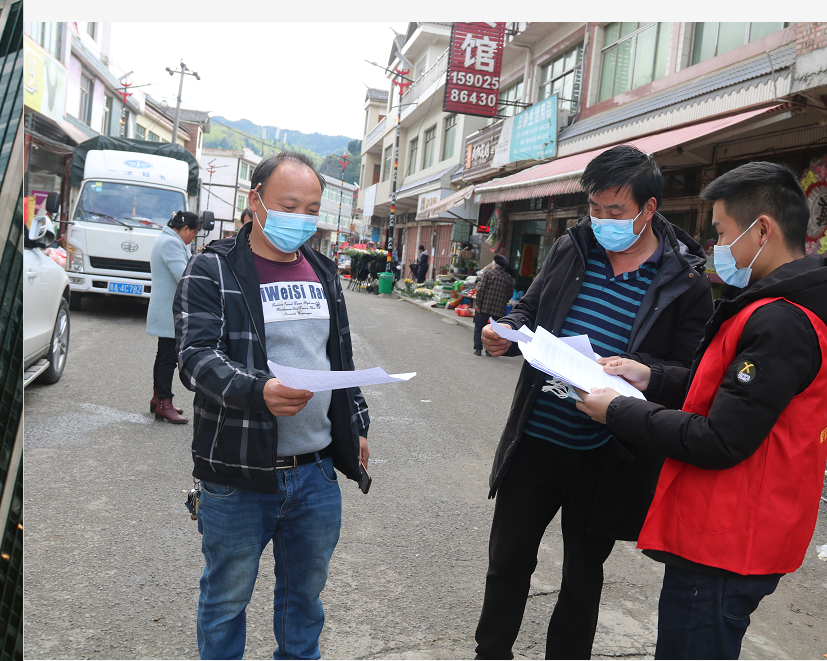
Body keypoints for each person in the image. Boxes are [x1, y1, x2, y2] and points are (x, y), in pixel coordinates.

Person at [575, 161, 827, 660]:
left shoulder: (781, 320)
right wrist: (651, 376)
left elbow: (720, 438)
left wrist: (619, 412)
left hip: (728, 542)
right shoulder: (776, 303)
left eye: (720, 232)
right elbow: (729, 391)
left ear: (762, 230)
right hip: (732, 529)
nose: (714, 247)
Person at [474, 144, 714, 660]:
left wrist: (645, 372)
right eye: (595, 209)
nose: (602, 221)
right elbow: (531, 308)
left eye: (615, 212)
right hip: (537, 437)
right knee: (508, 561)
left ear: (649, 209)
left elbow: (691, 376)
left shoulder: (686, 285)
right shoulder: (572, 247)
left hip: (609, 451)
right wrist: (507, 331)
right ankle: (490, 652)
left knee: (583, 575)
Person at [174, 151, 370, 660]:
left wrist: (357, 423)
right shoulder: (212, 269)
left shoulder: (324, 272)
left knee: (304, 599)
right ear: (255, 201)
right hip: (239, 475)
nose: (300, 219)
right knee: (226, 599)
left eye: (311, 208)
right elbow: (196, 358)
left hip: (316, 474)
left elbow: (338, 355)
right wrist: (257, 390)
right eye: (289, 205)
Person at [146, 210, 200, 424]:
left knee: (164, 356)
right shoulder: (171, 243)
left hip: (166, 308)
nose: (192, 239)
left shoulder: (169, 239)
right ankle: (164, 404)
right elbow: (183, 275)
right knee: (168, 358)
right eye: (193, 234)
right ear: (185, 228)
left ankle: (158, 399)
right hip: (169, 310)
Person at [473, 254, 514, 356]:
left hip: (485, 306)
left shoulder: (488, 273)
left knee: (479, 327)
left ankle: (478, 349)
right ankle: (490, 351)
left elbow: (481, 289)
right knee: (495, 330)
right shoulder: (508, 277)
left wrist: (478, 303)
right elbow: (510, 294)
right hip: (499, 309)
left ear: (495, 264)